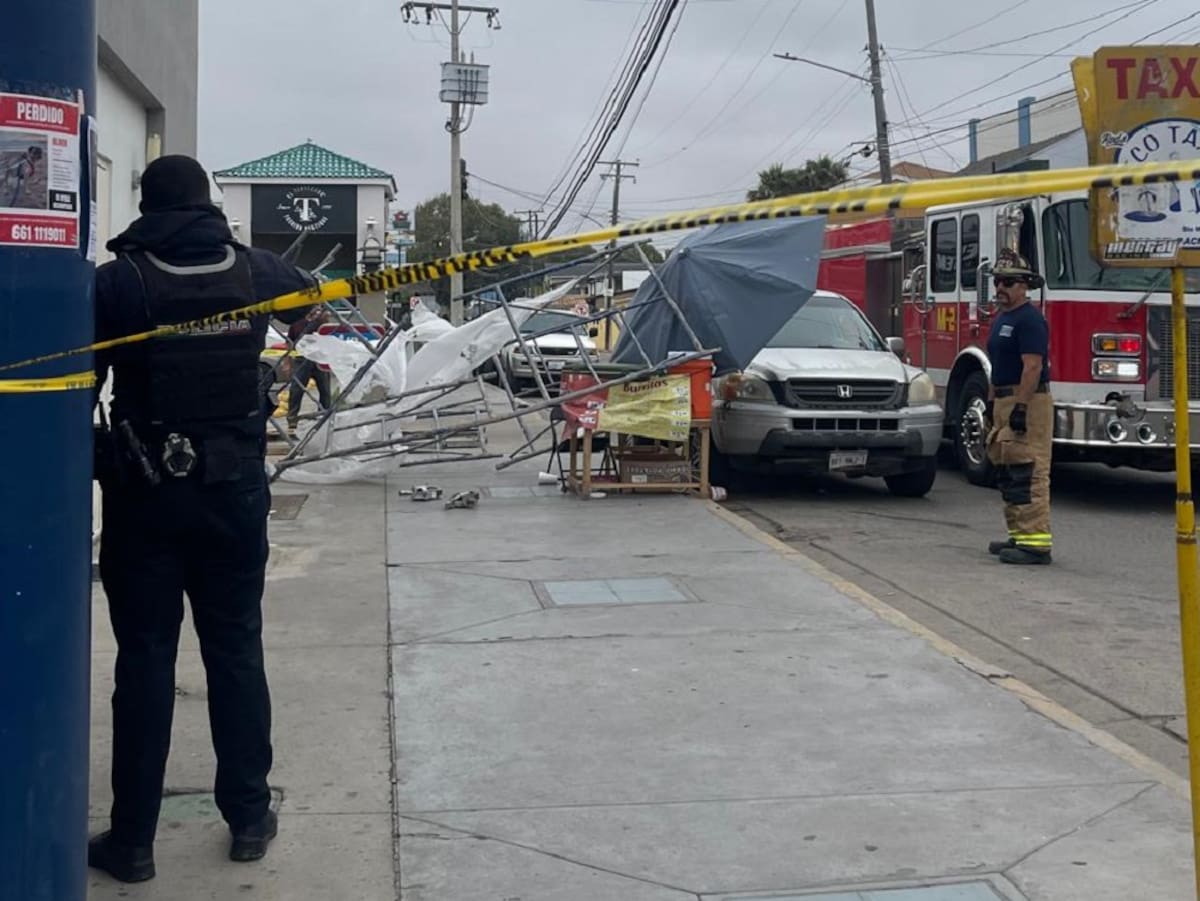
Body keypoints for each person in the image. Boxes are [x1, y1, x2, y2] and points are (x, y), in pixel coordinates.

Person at [89, 154, 317, 882]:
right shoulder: (255, 269)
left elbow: (79, 387)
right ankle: (249, 817)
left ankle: (132, 840)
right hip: (233, 494)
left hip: (145, 494)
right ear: (210, 203)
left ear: (146, 203)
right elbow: (310, 303)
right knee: (236, 652)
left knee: (146, 658)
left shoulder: (117, 281)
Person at [985, 248, 1053, 565]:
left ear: (1025, 286)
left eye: (1009, 282)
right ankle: (1019, 535)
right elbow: (996, 364)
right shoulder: (1002, 319)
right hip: (1003, 399)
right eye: (999, 281)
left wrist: (1021, 408)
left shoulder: (1030, 319)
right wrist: (991, 402)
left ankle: (1035, 544)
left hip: (1027, 400)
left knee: (1028, 469)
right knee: (1009, 470)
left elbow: (1032, 367)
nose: (1001, 288)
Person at [286, 305, 333, 433]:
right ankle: (292, 419)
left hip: (319, 359)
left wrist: (322, 319)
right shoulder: (297, 323)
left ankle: (323, 417)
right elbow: (290, 342)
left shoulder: (322, 322)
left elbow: (329, 333)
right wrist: (288, 363)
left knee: (325, 390)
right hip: (301, 359)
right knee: (296, 389)